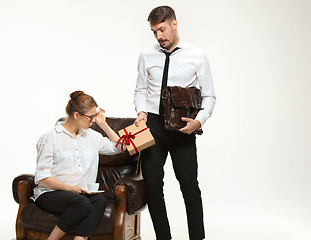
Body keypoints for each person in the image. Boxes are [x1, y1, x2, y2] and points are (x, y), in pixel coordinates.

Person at [134, 6, 216, 240]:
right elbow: (140, 90)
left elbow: (209, 95)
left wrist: (198, 123)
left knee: (190, 188)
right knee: (152, 187)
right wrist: (141, 111)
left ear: (174, 24)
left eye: (162, 29)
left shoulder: (197, 55)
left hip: (182, 126)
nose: (159, 36)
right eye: (154, 32)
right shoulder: (146, 55)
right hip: (153, 127)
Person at [32, 91, 122, 240]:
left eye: (95, 116)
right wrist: (71, 188)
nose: (93, 120)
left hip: (79, 194)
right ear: (76, 115)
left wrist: (103, 124)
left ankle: (80, 239)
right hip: (50, 193)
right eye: (91, 117)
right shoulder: (50, 138)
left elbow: (118, 147)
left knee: (100, 201)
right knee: (83, 203)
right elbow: (42, 177)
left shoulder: (92, 136)